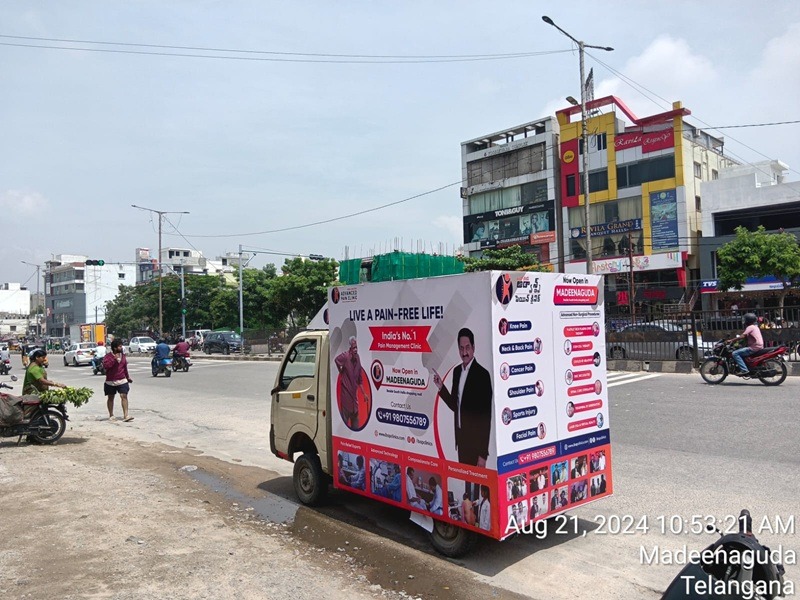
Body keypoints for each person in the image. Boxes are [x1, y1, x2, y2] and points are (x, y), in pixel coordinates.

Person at [432, 327, 492, 467]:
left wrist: (482, 455)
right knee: (466, 481)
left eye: (467, 347)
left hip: (476, 444)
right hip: (461, 441)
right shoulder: (457, 371)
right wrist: (441, 387)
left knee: (476, 485)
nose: (464, 352)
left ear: (473, 348)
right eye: (461, 348)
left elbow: (486, 417)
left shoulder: (482, 375)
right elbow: (454, 405)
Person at [334, 336, 369, 430]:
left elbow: (360, 380)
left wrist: (364, 393)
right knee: (345, 423)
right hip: (346, 398)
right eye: (354, 348)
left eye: (356, 347)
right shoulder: (345, 356)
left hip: (354, 400)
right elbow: (336, 360)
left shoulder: (358, 358)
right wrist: (341, 371)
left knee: (356, 425)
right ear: (350, 347)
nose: (355, 350)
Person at [103, 339, 134, 422]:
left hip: (122, 379)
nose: (121, 347)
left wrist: (128, 377)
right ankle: (111, 415)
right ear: (115, 348)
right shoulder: (108, 357)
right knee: (111, 398)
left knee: (124, 396)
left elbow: (124, 368)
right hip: (110, 381)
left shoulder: (123, 356)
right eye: (120, 346)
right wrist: (114, 359)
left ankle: (126, 415)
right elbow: (106, 366)